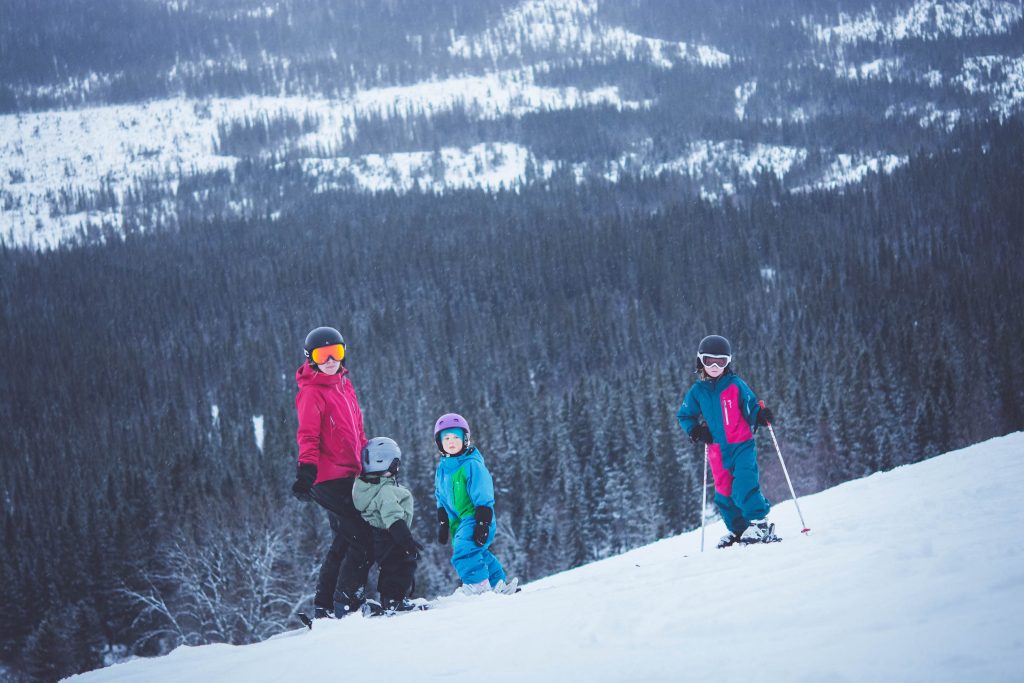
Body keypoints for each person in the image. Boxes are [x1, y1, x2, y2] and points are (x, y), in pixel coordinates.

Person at [291, 326, 374, 617]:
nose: (330, 360)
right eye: (322, 354)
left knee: (343, 539)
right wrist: (306, 472)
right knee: (363, 536)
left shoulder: (343, 385)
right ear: (310, 358)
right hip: (327, 478)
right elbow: (308, 436)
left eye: (335, 352)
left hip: (349, 475)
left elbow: (357, 431)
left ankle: (324, 605)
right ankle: (348, 603)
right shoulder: (312, 393)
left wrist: (368, 466)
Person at [675, 334, 780, 548]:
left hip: (741, 445)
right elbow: (685, 415)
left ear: (728, 361)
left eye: (720, 361)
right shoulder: (697, 392)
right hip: (717, 451)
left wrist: (759, 416)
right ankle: (740, 530)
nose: (714, 366)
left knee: (744, 484)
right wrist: (695, 430)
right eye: (709, 361)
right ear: (700, 361)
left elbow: (750, 407)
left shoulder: (735, 385)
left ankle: (759, 523)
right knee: (724, 494)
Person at [433, 413, 518, 595]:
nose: (451, 441)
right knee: (477, 553)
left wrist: (482, 522)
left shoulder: (472, 465)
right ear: (440, 443)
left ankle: (478, 584)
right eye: (446, 438)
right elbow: (440, 495)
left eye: (456, 436)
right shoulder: (442, 469)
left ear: (465, 439)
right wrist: (443, 521)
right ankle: (497, 584)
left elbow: (484, 493)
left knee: (464, 549)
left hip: (476, 516)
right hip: (459, 521)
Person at [352, 436, 424, 612]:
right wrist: (407, 543)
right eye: (395, 464)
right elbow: (393, 518)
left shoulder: (369, 487)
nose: (397, 468)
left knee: (391, 567)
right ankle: (393, 600)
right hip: (390, 536)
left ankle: (391, 599)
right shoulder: (385, 491)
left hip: (380, 537)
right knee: (401, 565)